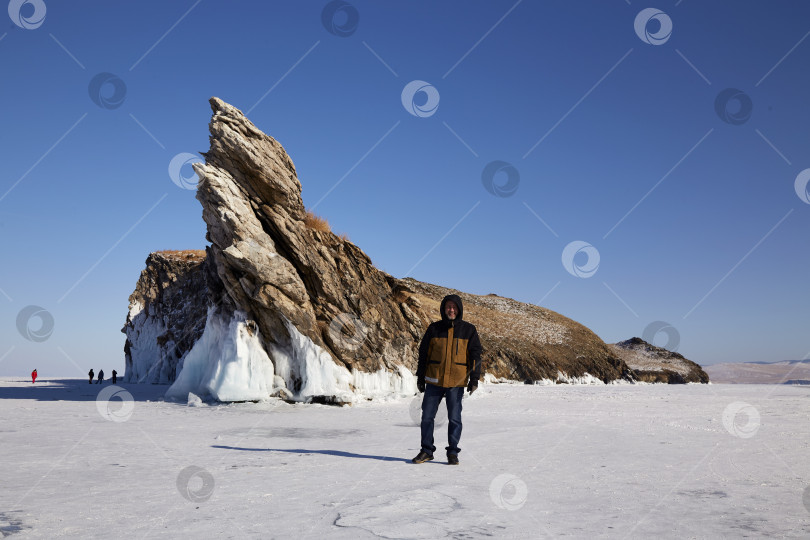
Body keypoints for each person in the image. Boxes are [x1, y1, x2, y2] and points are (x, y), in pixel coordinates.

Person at [412, 294, 482, 465]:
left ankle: (453, 452)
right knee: (427, 417)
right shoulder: (434, 329)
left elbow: (475, 356)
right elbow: (423, 355)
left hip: (456, 382)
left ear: (459, 309)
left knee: (455, 418)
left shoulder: (468, 330)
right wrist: (420, 377)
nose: (451, 310)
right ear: (444, 309)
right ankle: (426, 450)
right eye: (448, 307)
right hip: (434, 381)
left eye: (454, 307)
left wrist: (474, 379)